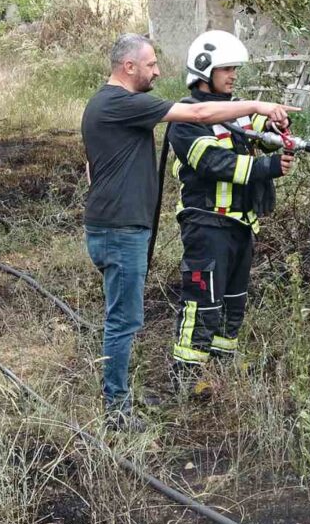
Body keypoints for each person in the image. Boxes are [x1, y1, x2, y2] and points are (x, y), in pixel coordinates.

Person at [81, 33, 297, 431]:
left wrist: (272, 121)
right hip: (127, 229)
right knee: (123, 321)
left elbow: (93, 166)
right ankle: (117, 410)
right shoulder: (119, 102)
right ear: (128, 66)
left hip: (124, 226)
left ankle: (125, 395)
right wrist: (259, 106)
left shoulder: (107, 106)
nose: (158, 71)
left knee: (131, 316)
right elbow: (197, 120)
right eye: (150, 64)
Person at [167, 30, 294, 392]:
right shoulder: (186, 120)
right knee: (201, 303)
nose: (233, 75)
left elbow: (258, 127)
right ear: (204, 71)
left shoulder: (234, 114)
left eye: (234, 68)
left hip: (240, 227)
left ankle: (221, 371)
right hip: (206, 227)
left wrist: (277, 123)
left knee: (234, 304)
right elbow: (215, 163)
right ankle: (187, 380)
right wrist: (268, 168)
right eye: (226, 69)